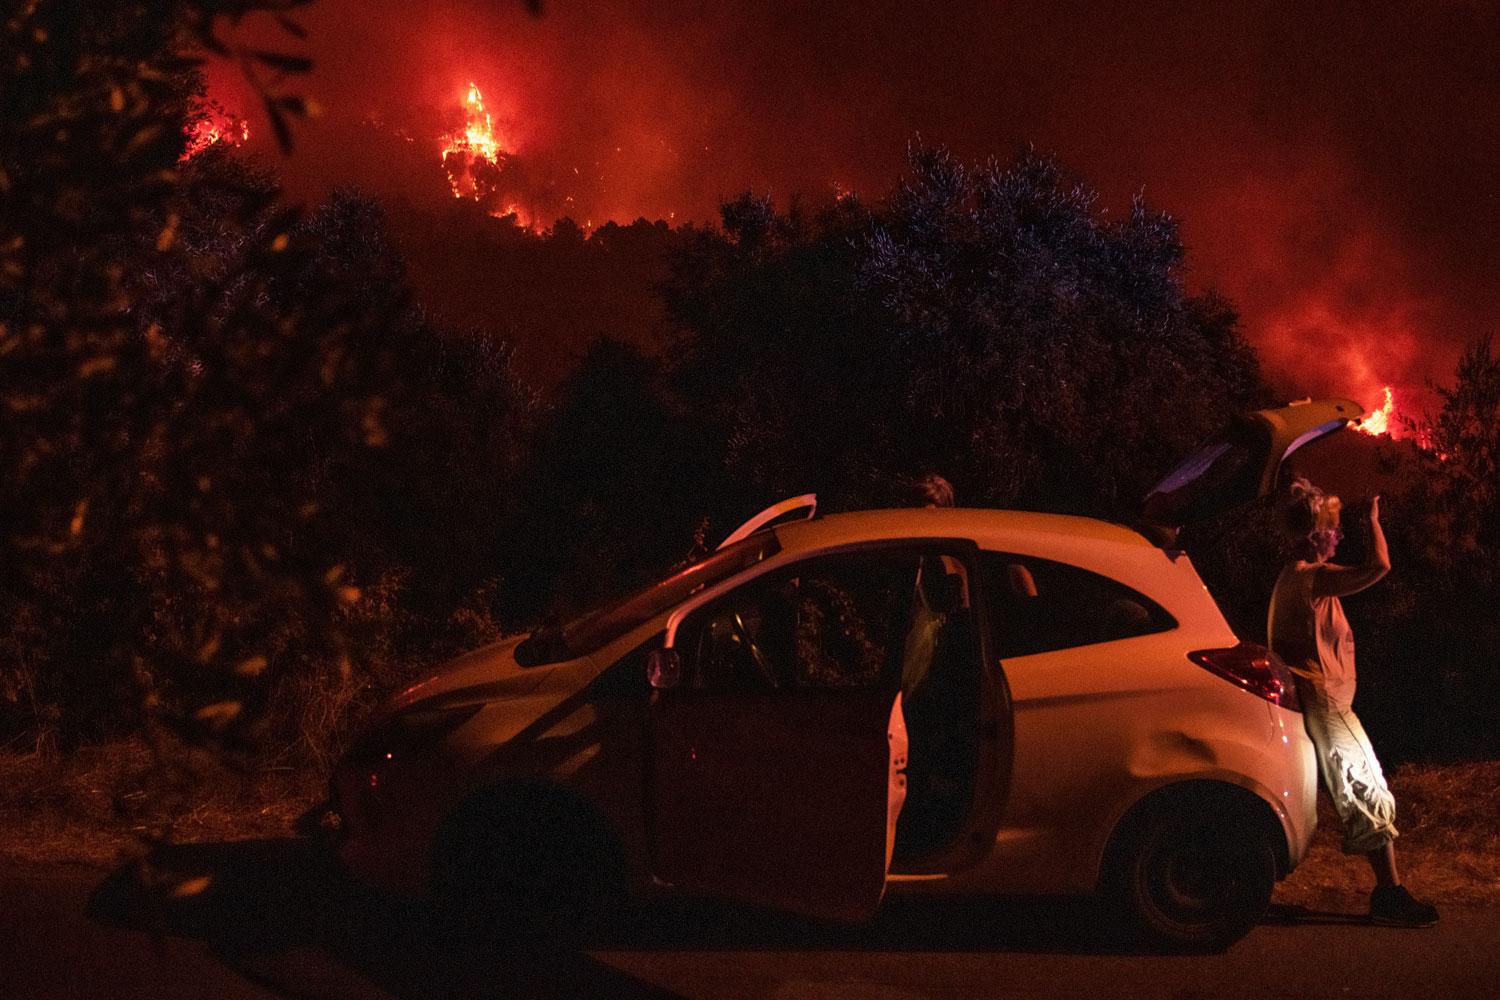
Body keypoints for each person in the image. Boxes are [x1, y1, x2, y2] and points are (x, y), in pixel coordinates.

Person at [1267, 478, 1438, 927]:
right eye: (1335, 528)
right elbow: (1380, 565)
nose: (1339, 536)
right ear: (1314, 534)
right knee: (1366, 789)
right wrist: (1373, 522)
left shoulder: (1293, 578)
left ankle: (1388, 891)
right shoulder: (1312, 577)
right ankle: (1389, 894)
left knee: (1356, 789)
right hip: (1328, 705)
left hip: (1325, 702)